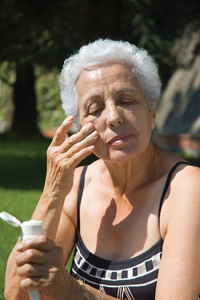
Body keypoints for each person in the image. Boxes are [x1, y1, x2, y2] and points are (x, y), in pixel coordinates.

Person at [4, 39, 200, 300]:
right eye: (95, 108)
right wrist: (53, 190)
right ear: (80, 128)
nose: (113, 116)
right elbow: (17, 294)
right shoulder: (76, 187)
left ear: (152, 112)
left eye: (127, 100)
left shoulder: (188, 189)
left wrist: (73, 291)